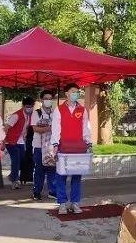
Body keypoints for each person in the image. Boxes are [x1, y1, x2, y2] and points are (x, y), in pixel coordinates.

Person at [49, 84, 92, 214]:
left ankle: (75, 203)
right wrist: (54, 145)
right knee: (61, 176)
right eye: (73, 92)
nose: (76, 94)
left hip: (79, 147)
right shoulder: (59, 110)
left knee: (77, 176)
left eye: (77, 92)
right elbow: (55, 129)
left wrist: (89, 144)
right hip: (63, 146)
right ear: (67, 94)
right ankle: (62, 203)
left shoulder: (82, 110)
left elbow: (86, 128)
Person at [3, 97, 36, 190]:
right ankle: (14, 181)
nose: (29, 108)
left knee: (22, 160)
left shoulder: (30, 116)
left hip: (20, 141)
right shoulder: (16, 115)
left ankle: (12, 175)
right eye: (27, 106)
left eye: (31, 106)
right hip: (11, 141)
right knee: (16, 160)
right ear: (23, 106)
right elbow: (6, 127)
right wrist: (3, 141)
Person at [31, 90, 58, 201]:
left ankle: (52, 191)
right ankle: (37, 191)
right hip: (38, 147)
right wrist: (49, 128)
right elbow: (35, 128)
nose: (48, 100)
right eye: (46, 98)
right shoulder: (36, 113)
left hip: (52, 147)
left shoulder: (55, 113)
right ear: (41, 100)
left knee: (52, 169)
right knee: (39, 170)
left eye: (50, 99)